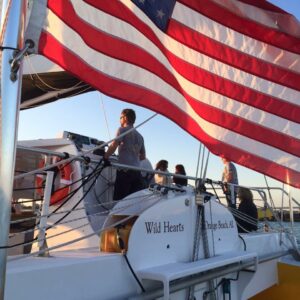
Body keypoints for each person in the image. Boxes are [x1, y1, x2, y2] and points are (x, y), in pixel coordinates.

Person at [104, 108, 145, 200]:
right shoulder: (140, 137)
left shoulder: (122, 130)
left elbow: (114, 145)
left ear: (125, 118)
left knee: (120, 200)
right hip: (137, 172)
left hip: (124, 171)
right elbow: (143, 156)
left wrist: (105, 158)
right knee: (131, 201)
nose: (120, 120)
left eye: (120, 117)